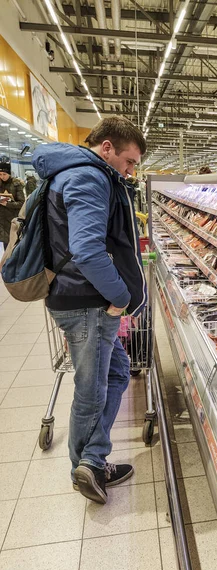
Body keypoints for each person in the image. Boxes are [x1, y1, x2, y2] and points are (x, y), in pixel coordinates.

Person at [32, 116, 147, 504]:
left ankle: (93, 460)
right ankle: (88, 465)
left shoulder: (78, 172)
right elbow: (87, 249)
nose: (131, 171)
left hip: (83, 301)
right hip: (88, 303)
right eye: (129, 161)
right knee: (92, 389)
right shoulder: (88, 177)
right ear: (108, 147)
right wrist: (120, 297)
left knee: (114, 374)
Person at [0, 158, 25, 248]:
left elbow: (22, 203)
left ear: (9, 174)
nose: (2, 176)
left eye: (4, 174)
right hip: (2, 221)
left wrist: (7, 204)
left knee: (14, 246)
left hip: (12, 220)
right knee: (5, 245)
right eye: (0, 174)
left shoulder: (16, 184)